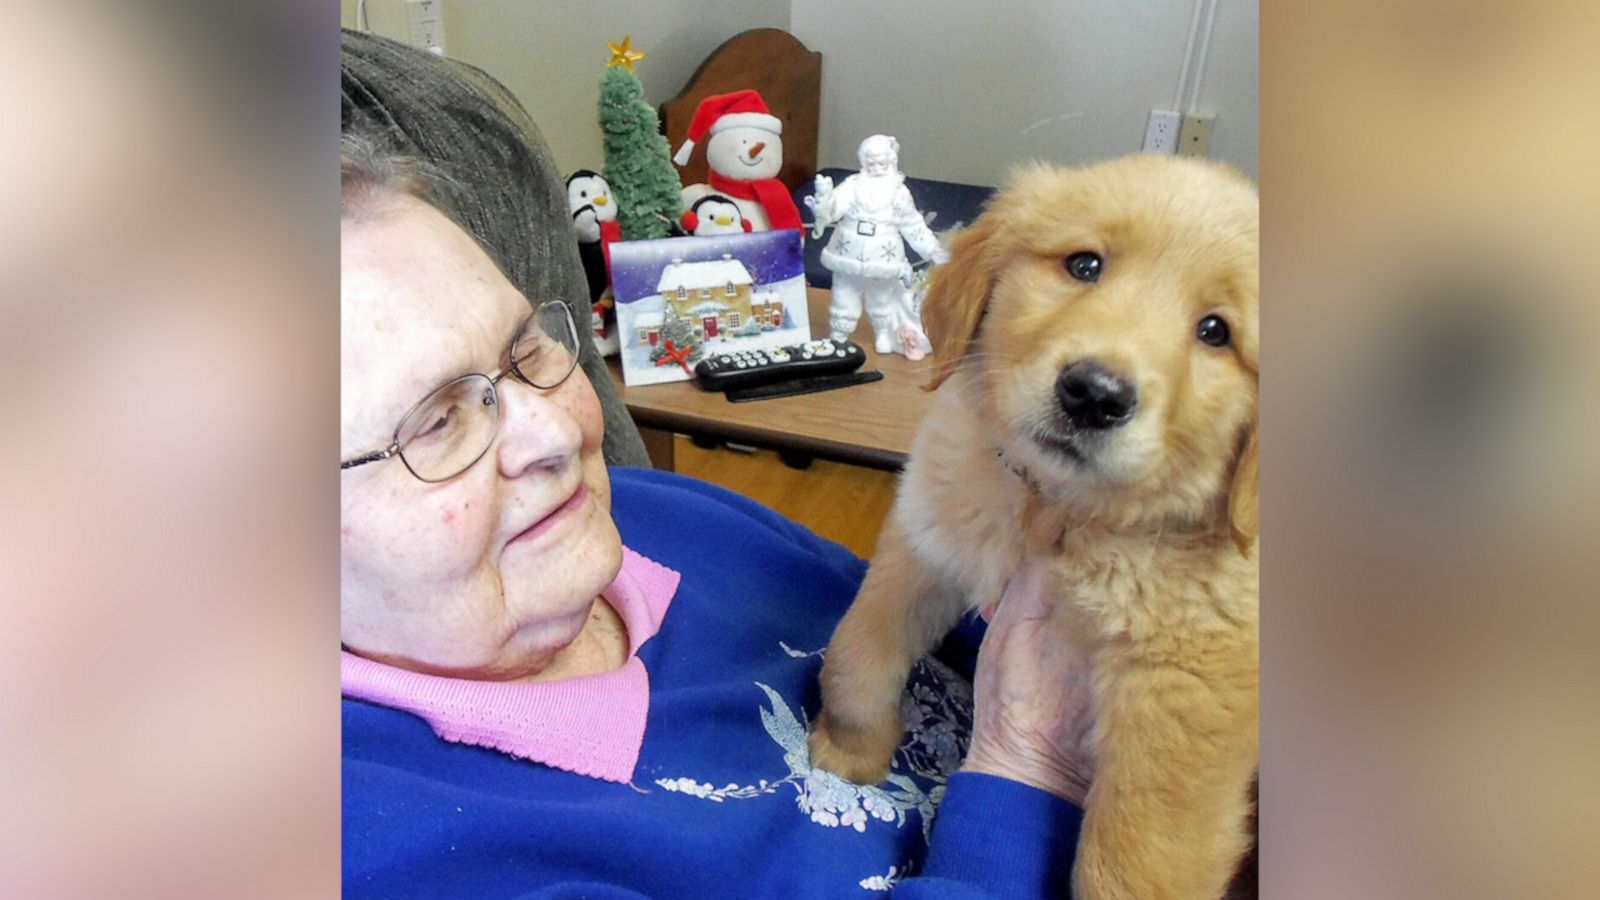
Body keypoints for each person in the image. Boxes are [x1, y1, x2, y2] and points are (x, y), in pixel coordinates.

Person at [340, 134, 1096, 899]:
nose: (561, 431)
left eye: (526, 348)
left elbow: (942, 624)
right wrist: (1029, 763)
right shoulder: (388, 849)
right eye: (437, 423)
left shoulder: (651, 517)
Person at [808, 134, 947, 358]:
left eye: (882, 163)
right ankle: (838, 336)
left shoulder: (899, 192)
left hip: (883, 255)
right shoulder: (852, 185)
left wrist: (933, 250)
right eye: (871, 163)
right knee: (843, 294)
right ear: (863, 162)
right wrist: (825, 203)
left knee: (881, 297)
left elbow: (913, 225)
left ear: (891, 162)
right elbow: (834, 209)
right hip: (848, 249)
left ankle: (882, 333)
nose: (876, 168)